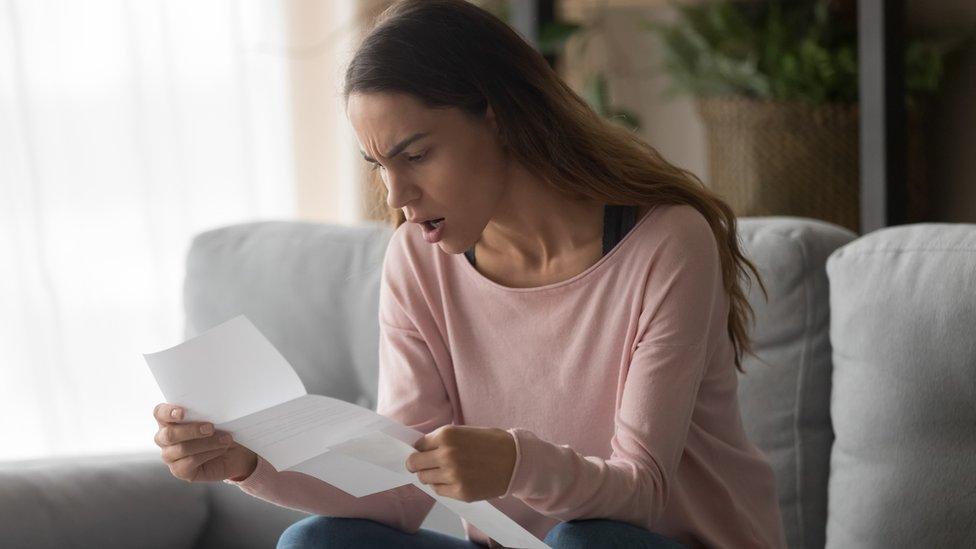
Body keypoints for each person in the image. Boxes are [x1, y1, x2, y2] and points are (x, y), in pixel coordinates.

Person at [152, 1, 787, 547]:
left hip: (644, 542)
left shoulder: (666, 243)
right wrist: (247, 460)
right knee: (320, 541)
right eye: (378, 164)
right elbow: (403, 483)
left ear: (498, 116)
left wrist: (515, 464)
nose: (398, 193)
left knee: (584, 539)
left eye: (417, 154)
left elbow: (642, 492)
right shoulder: (417, 258)